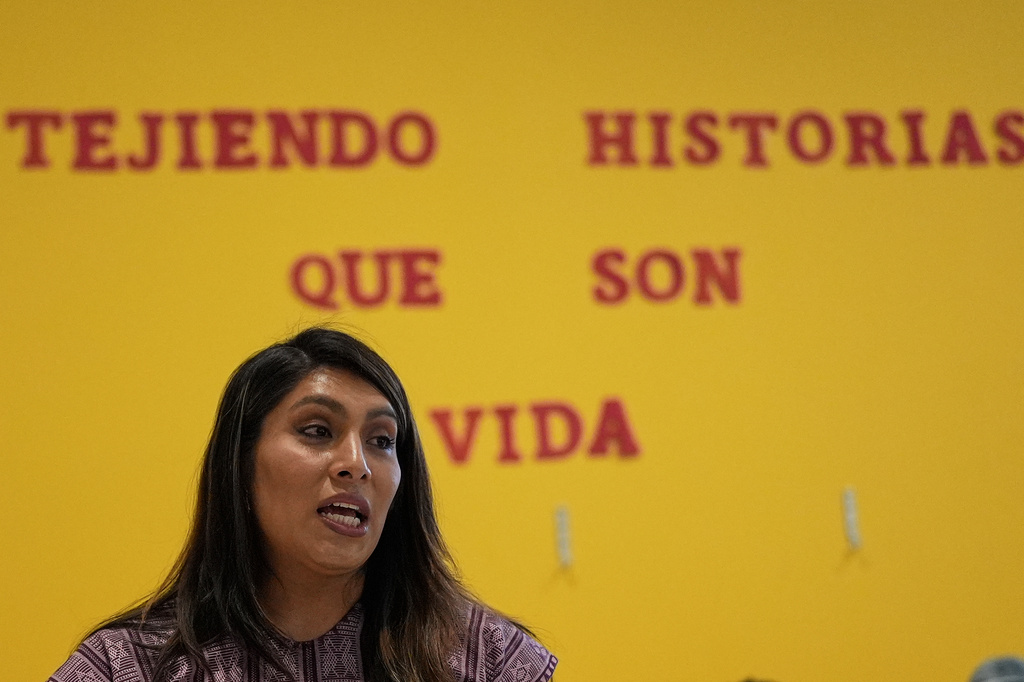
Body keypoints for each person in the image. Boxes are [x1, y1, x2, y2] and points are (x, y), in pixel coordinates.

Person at [49, 327, 557, 682]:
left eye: (382, 441)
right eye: (317, 431)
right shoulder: (129, 667)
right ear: (241, 467)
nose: (356, 464)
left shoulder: (484, 659)